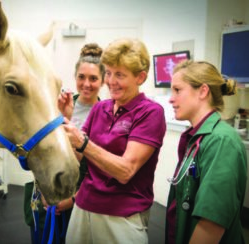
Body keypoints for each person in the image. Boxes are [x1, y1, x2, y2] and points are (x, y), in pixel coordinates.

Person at [62, 38, 166, 244]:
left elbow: (125, 171)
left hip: (122, 215)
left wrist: (83, 143)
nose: (111, 81)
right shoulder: (101, 108)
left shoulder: (150, 112)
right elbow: (76, 157)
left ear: (140, 77)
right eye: (108, 73)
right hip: (84, 207)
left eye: (120, 74)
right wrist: (65, 119)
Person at [23, 43, 105, 244]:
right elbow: (42, 152)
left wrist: (74, 199)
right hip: (46, 194)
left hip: (82, 201)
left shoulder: (106, 115)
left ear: (103, 80)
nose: (86, 84)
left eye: (93, 78)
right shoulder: (58, 105)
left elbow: (100, 169)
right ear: (75, 77)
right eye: (81, 77)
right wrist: (45, 191)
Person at [165, 60, 247, 244]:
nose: (171, 98)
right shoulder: (196, 138)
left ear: (203, 91)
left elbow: (211, 223)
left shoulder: (222, 141)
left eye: (177, 90)